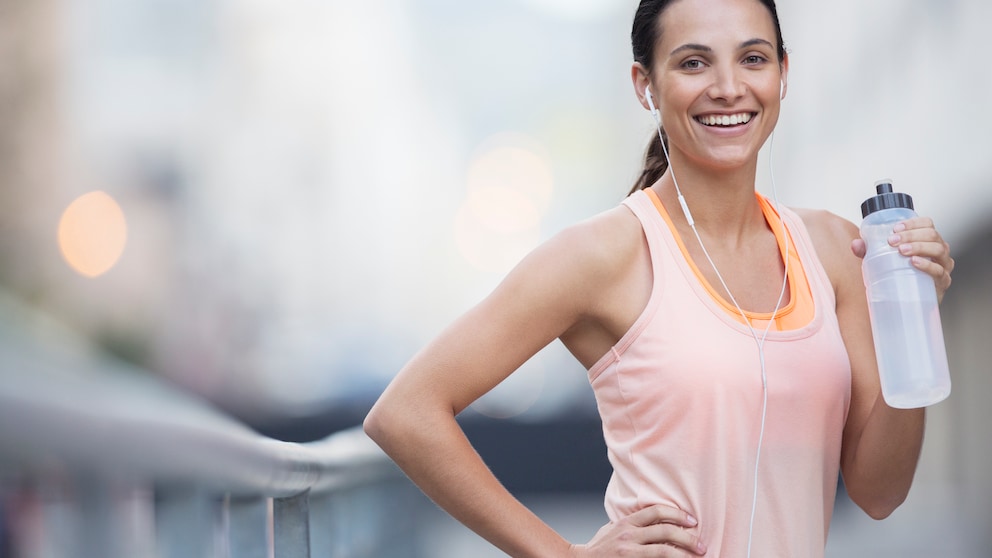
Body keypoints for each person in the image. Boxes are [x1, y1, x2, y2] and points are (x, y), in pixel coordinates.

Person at [364, 0, 955, 555]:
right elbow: (406, 413)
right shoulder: (605, 254)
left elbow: (879, 493)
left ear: (783, 74)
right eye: (694, 62)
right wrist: (563, 554)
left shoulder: (833, 249)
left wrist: (914, 317)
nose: (728, 88)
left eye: (753, 58)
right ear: (645, 85)